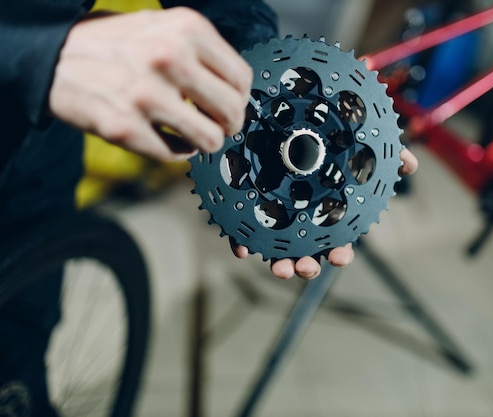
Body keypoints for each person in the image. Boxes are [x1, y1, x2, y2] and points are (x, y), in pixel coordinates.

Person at [0, 1, 418, 415]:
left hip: (40, 132)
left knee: (24, 341)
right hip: (41, 71)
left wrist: (254, 68)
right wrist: (35, 45)